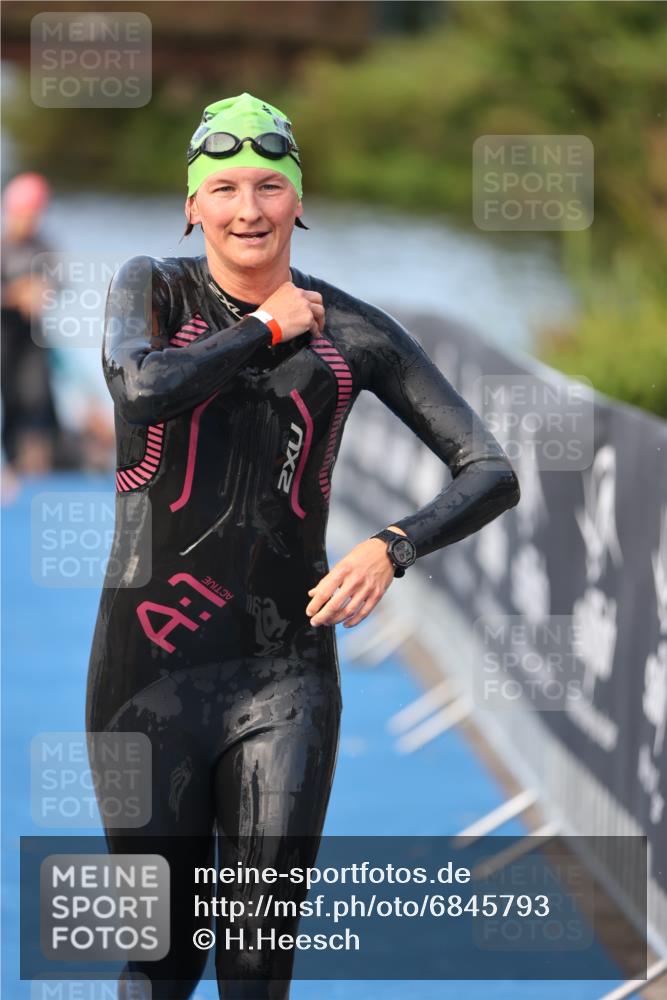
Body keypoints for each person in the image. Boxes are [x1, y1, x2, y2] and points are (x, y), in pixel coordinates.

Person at [86, 92, 520, 999]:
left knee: (254, 966)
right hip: (143, 673)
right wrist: (263, 328)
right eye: (228, 188)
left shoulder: (353, 331)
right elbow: (140, 390)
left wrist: (393, 545)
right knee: (160, 958)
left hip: (284, 676)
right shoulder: (152, 290)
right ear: (192, 203)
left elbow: (488, 468)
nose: (250, 210)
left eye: (270, 187)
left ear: (298, 198)